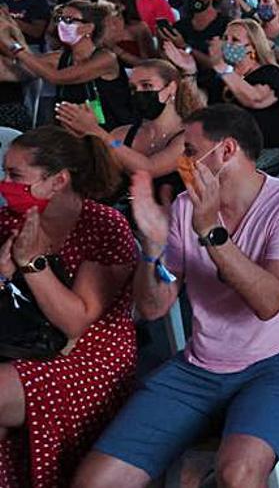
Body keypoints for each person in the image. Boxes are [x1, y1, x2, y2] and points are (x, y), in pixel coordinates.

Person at [73, 105, 279, 488]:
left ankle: (203, 458)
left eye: (190, 150)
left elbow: (268, 303)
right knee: (94, 481)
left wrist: (211, 231)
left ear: (227, 151)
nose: (183, 161)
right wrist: (152, 248)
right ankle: (198, 457)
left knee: (238, 474)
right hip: (202, 365)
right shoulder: (182, 208)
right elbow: (153, 306)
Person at [0, 126, 134, 488]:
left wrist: (30, 263)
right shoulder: (11, 220)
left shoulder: (104, 226)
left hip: (90, 354)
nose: (5, 184)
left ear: (58, 181)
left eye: (15, 176)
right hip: (24, 337)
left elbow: (77, 321)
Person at [165, 19, 279, 176]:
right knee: (184, 169)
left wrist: (221, 67)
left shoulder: (269, 73)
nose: (227, 44)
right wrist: (189, 73)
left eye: (235, 40)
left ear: (252, 47)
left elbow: (255, 99)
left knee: (216, 174)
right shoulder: (223, 77)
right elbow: (199, 110)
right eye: (225, 39)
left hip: (267, 148)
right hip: (227, 147)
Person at [57, 59, 193, 199]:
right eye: (133, 88)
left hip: (171, 217)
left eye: (146, 85)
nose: (138, 93)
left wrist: (97, 131)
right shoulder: (122, 134)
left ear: (171, 88)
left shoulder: (189, 136)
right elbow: (100, 174)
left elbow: (148, 168)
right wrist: (80, 134)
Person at [3, 0, 134, 131]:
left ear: (89, 27)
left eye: (69, 20)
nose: (62, 24)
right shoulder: (58, 57)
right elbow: (21, 67)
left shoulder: (105, 58)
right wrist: (11, 29)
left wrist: (12, 44)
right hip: (72, 133)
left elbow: (57, 77)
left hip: (112, 133)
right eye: (60, 19)